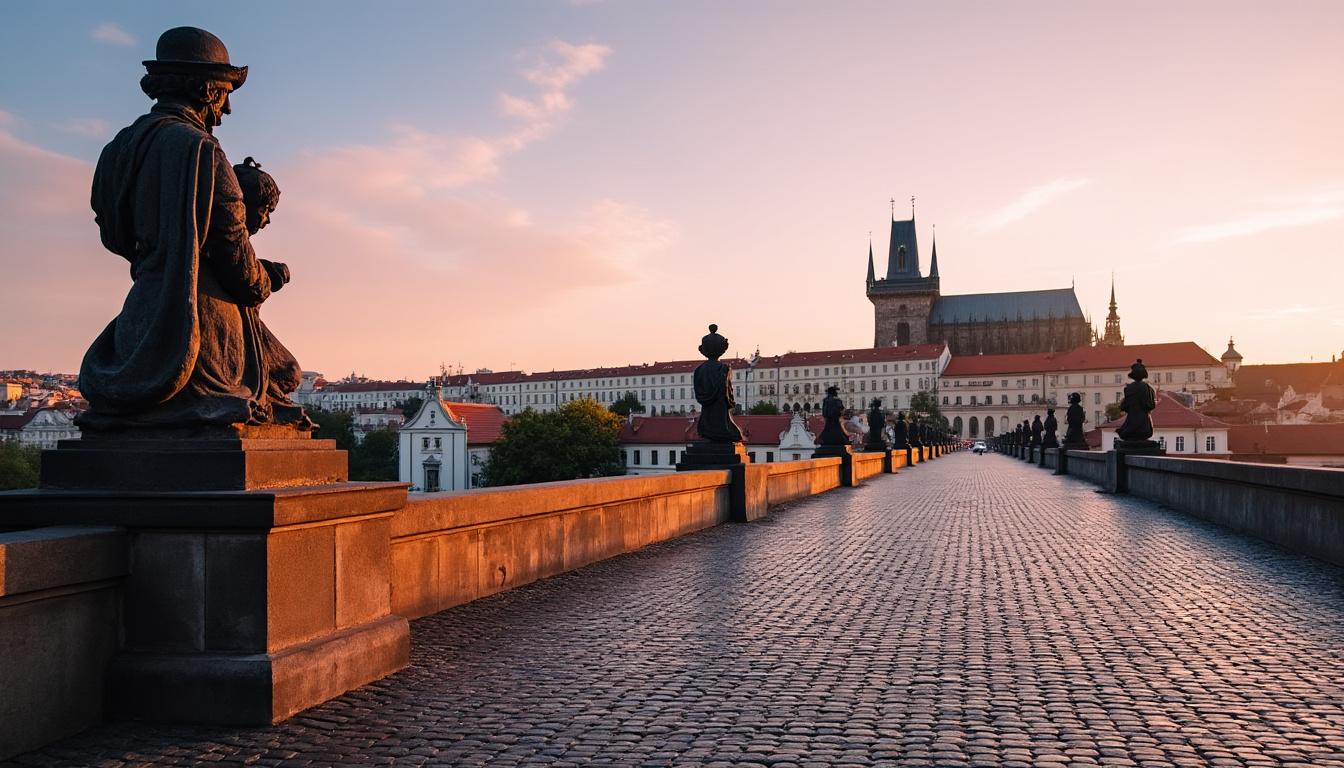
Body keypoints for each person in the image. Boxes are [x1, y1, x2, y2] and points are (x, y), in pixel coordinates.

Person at [78, 27, 307, 429]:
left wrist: (160, 255)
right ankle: (207, 403)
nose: (227, 109)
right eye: (225, 92)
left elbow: (113, 235)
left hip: (142, 315)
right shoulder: (204, 152)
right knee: (286, 373)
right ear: (204, 89)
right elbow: (237, 264)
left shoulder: (117, 149)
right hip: (200, 329)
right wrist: (267, 278)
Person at [232, 157, 313, 428]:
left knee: (288, 372)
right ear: (243, 205)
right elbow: (247, 282)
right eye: (265, 210)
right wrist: (272, 275)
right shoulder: (229, 234)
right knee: (289, 372)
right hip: (227, 318)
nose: (265, 221)